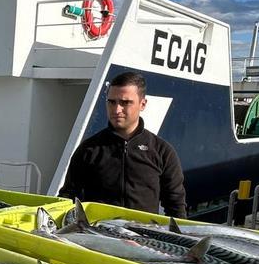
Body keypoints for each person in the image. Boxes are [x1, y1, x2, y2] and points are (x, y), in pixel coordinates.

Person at [59, 71, 188, 216]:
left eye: (125, 102)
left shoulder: (162, 151)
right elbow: (68, 198)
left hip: (144, 237)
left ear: (143, 104)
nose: (117, 109)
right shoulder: (88, 150)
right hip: (99, 235)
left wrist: (177, 237)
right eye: (111, 102)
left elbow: (175, 203)